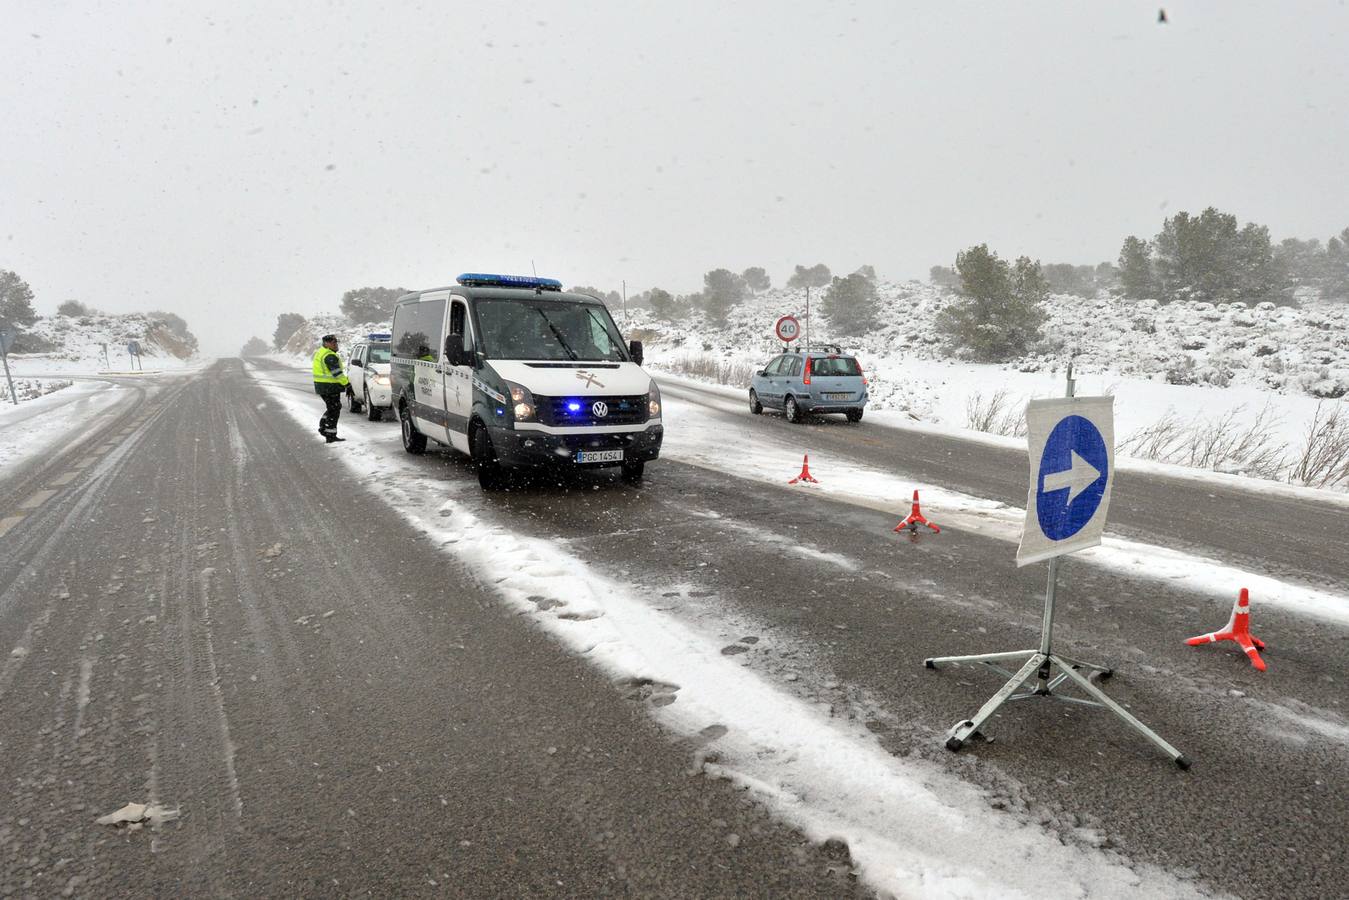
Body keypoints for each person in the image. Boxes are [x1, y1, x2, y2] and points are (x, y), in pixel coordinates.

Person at [312, 334, 355, 443]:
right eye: (333, 342)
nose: (336, 344)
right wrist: (347, 384)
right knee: (334, 409)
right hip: (329, 387)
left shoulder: (321, 352)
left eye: (336, 342)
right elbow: (337, 374)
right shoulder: (329, 356)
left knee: (333, 408)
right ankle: (329, 434)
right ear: (326, 344)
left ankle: (325, 429)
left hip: (324, 386)